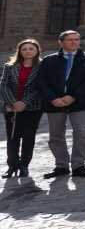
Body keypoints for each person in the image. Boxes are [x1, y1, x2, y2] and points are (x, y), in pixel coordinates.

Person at [37, 30, 85, 178]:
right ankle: (61, 166)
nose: (74, 42)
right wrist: (53, 98)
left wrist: (73, 96)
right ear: (61, 42)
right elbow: (41, 81)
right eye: (70, 39)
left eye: (76, 39)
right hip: (55, 103)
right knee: (56, 135)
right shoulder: (49, 60)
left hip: (79, 102)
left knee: (81, 133)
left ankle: (79, 166)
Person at [1, 39, 43, 178]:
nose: (28, 51)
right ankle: (12, 165)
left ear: (37, 51)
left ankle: (24, 165)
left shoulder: (42, 66)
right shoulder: (9, 66)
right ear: (19, 51)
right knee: (13, 137)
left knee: (28, 136)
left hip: (32, 108)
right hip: (10, 107)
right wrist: (13, 103)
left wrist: (24, 102)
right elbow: (3, 85)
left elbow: (39, 87)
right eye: (24, 49)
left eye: (31, 48)